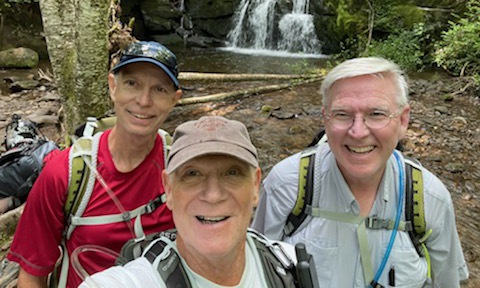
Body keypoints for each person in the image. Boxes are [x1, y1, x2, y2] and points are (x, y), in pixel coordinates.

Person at [251, 57, 469, 287]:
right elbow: (256, 273)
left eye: (376, 114)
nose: (357, 132)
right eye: (342, 114)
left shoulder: (431, 198)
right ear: (325, 118)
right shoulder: (286, 185)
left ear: (403, 120)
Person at [7, 41, 183, 288]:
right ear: (113, 87)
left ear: (175, 100)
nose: (144, 101)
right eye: (132, 84)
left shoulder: (182, 167)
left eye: (159, 90)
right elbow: (32, 275)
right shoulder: (65, 173)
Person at [78, 116, 304, 288]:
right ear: (169, 190)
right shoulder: (130, 282)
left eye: (232, 173)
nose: (213, 195)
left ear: (255, 186)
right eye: (193, 174)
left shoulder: (291, 264)